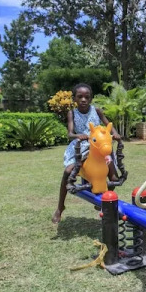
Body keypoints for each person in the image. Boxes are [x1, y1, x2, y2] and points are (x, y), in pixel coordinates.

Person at [52, 83, 122, 224]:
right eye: (80, 97)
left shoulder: (97, 110)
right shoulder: (72, 113)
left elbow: (108, 124)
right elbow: (70, 133)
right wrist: (78, 135)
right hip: (82, 146)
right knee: (68, 171)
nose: (83, 100)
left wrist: (115, 134)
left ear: (91, 98)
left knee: (114, 177)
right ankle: (60, 207)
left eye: (87, 97)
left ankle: (102, 201)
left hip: (99, 146)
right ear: (74, 99)